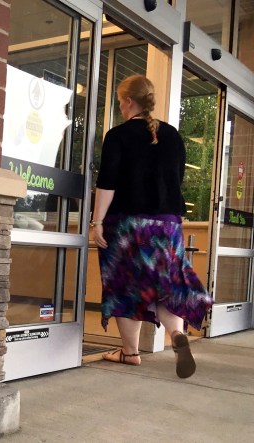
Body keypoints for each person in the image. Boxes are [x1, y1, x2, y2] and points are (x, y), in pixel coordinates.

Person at [91, 74, 213, 379]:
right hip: (168, 225)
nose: (120, 106)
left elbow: (107, 185)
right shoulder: (172, 135)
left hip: (128, 224)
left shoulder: (118, 136)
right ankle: (175, 333)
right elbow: (176, 182)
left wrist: (97, 223)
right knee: (164, 285)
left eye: (120, 100)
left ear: (129, 101)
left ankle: (130, 352)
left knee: (124, 285)